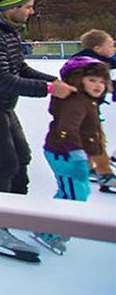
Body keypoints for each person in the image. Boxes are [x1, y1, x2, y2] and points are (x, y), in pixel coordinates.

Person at [0, 0, 75, 263]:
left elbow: (20, 69)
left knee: (21, 156)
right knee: (5, 162)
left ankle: (13, 210)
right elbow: (2, 79)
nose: (31, 11)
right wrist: (51, 90)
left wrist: (54, 81)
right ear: (11, 8)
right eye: (27, 6)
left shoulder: (5, 32)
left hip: (1, 105)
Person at [30, 56, 112, 255]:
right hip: (63, 154)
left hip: (74, 155)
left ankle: (49, 223)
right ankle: (47, 230)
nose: (98, 85)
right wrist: (77, 156)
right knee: (71, 195)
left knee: (78, 193)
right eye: (92, 80)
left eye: (101, 81)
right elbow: (67, 130)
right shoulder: (76, 102)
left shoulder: (88, 100)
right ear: (78, 80)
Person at [72, 29, 116, 192]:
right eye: (111, 46)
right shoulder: (90, 65)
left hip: (85, 107)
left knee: (90, 138)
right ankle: (104, 173)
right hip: (82, 108)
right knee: (96, 139)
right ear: (98, 48)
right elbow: (106, 86)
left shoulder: (94, 58)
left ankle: (88, 168)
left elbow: (112, 60)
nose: (113, 49)